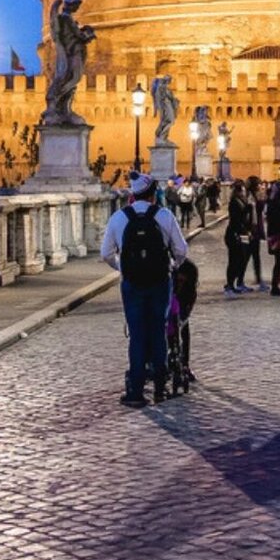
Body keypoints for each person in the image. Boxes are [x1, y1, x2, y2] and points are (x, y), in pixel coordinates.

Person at [100, 174, 189, 407]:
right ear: (153, 195)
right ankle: (160, 388)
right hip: (160, 282)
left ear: (132, 195)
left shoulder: (119, 218)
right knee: (158, 332)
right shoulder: (164, 216)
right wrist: (171, 266)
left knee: (137, 334)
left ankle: (136, 391)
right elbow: (181, 250)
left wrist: (123, 267)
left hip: (132, 284)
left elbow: (106, 253)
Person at [223, 177, 256, 295]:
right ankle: (229, 285)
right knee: (234, 260)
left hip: (241, 234)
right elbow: (236, 220)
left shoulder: (242, 201)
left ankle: (234, 283)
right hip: (234, 234)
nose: (244, 192)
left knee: (240, 259)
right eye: (242, 190)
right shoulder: (234, 202)